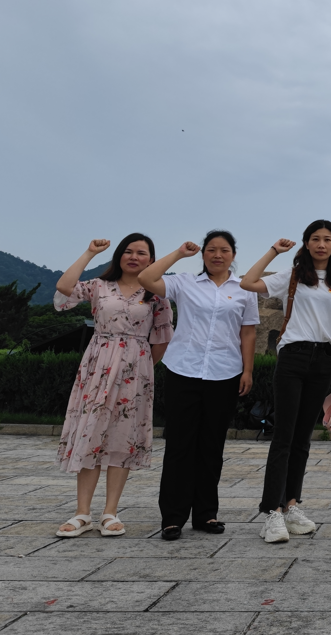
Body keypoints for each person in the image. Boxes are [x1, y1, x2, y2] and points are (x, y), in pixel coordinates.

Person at [139, 231, 258, 541]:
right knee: (179, 445)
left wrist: (247, 370)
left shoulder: (244, 289)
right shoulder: (184, 283)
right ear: (203, 254)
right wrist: (179, 253)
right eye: (211, 250)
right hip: (184, 370)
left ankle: (206, 513)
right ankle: (173, 517)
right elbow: (146, 278)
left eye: (224, 250)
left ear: (233, 255)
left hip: (225, 373)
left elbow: (248, 332)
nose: (218, 255)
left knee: (211, 446)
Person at [53, 235, 173, 538]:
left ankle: (110, 512)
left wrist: (140, 368)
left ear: (151, 260)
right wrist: (89, 253)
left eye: (141, 253)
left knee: (123, 436)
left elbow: (162, 338)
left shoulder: (157, 294)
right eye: (128, 251)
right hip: (98, 366)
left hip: (136, 371)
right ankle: (82, 513)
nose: (134, 257)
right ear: (119, 255)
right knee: (90, 432)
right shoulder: (99, 286)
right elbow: (64, 287)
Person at [240, 220, 331, 544]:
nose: (321, 244)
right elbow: (248, 282)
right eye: (315, 238)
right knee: (284, 436)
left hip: (323, 359)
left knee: (303, 437)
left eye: (327, 239)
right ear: (306, 243)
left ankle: (291, 504)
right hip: (293, 357)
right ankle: (272, 511)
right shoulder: (292, 276)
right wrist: (274, 251)